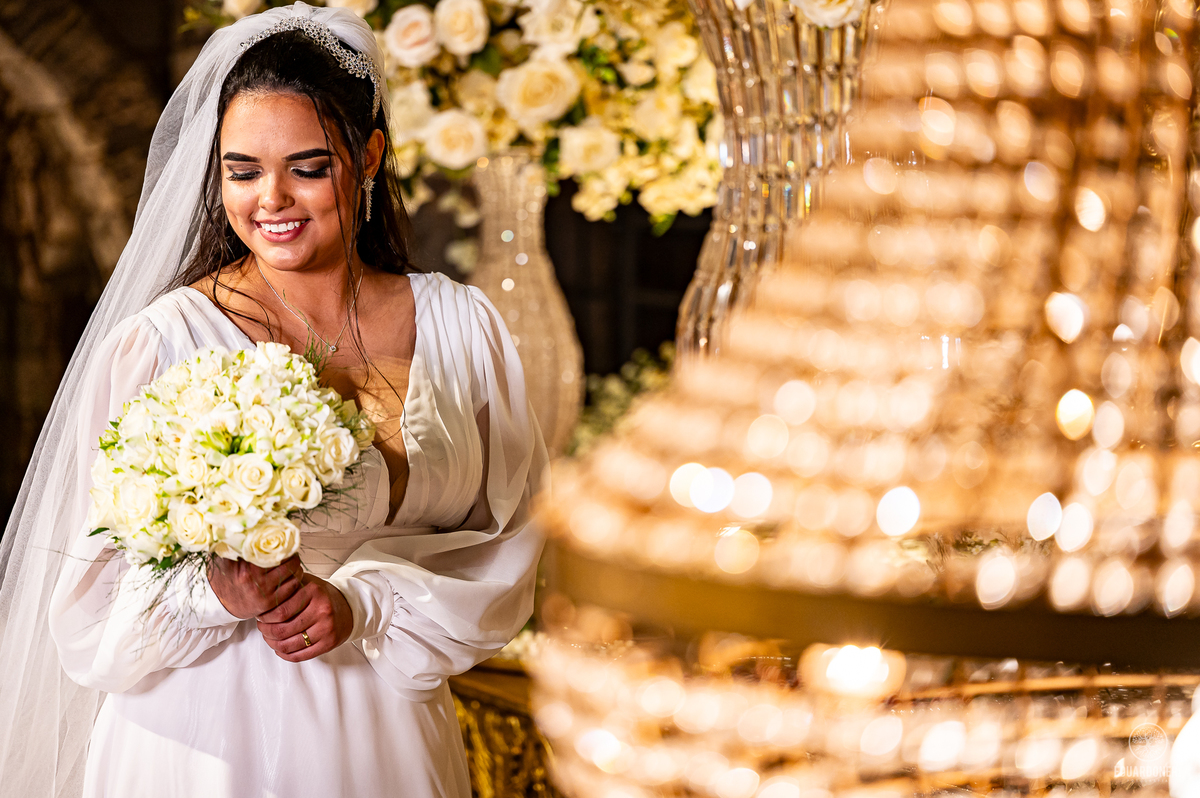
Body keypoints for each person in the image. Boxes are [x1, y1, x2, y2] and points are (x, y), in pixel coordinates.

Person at [0, 4, 547, 796]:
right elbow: (90, 609)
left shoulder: (466, 330)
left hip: (385, 728)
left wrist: (364, 607)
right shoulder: (163, 344)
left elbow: (511, 542)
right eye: (243, 170)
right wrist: (215, 590)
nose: (273, 200)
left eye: (309, 166)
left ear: (367, 157)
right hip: (201, 736)